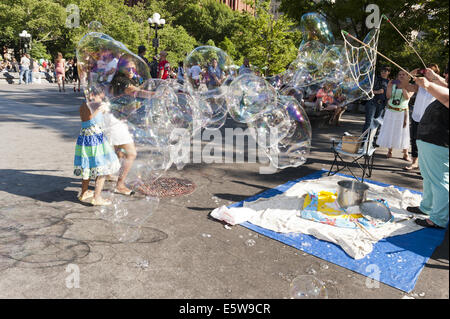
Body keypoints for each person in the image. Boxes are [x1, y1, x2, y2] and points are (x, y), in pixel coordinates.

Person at [407, 66, 449, 229]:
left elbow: (446, 98)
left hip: (439, 141)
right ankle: (427, 207)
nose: (445, 75)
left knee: (439, 180)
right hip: (431, 140)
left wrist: (428, 85)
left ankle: (438, 218)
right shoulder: (445, 83)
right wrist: (434, 77)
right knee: (429, 177)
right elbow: (445, 85)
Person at [109, 57, 154, 195]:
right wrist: (155, 95)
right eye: (127, 68)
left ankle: (107, 174)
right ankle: (120, 185)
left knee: (119, 152)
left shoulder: (129, 78)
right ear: (121, 68)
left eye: (132, 68)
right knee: (131, 153)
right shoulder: (120, 80)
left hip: (119, 118)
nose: (130, 71)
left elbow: (137, 90)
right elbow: (135, 92)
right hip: (115, 120)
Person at [74, 91, 121, 206]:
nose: (103, 96)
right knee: (103, 167)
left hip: (84, 139)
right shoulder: (96, 105)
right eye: (101, 94)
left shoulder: (83, 105)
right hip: (96, 140)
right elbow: (91, 118)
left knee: (88, 165)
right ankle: (97, 197)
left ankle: (84, 192)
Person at [404, 64, 440, 170]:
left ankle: (425, 166)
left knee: (427, 143)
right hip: (416, 117)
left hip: (430, 119)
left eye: (430, 72)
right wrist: (411, 74)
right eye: (425, 72)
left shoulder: (438, 86)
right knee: (414, 140)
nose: (427, 74)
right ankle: (414, 162)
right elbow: (404, 85)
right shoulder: (419, 85)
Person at [376, 69, 415, 160]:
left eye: (404, 74)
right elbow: (388, 96)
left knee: (403, 132)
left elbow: (407, 97)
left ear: (407, 76)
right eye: (399, 74)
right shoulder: (394, 84)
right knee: (391, 130)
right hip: (391, 111)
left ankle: (405, 153)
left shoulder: (411, 86)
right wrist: (389, 86)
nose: (401, 76)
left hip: (402, 112)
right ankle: (390, 151)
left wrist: (403, 87)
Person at [362, 66, 391, 133]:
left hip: (381, 105)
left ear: (388, 72)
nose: (383, 73)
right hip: (372, 102)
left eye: (385, 71)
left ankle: (372, 140)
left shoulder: (390, 82)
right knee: (369, 122)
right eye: (382, 71)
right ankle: (364, 141)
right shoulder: (375, 79)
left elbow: (401, 83)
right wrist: (377, 92)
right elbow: (366, 90)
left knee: (376, 123)